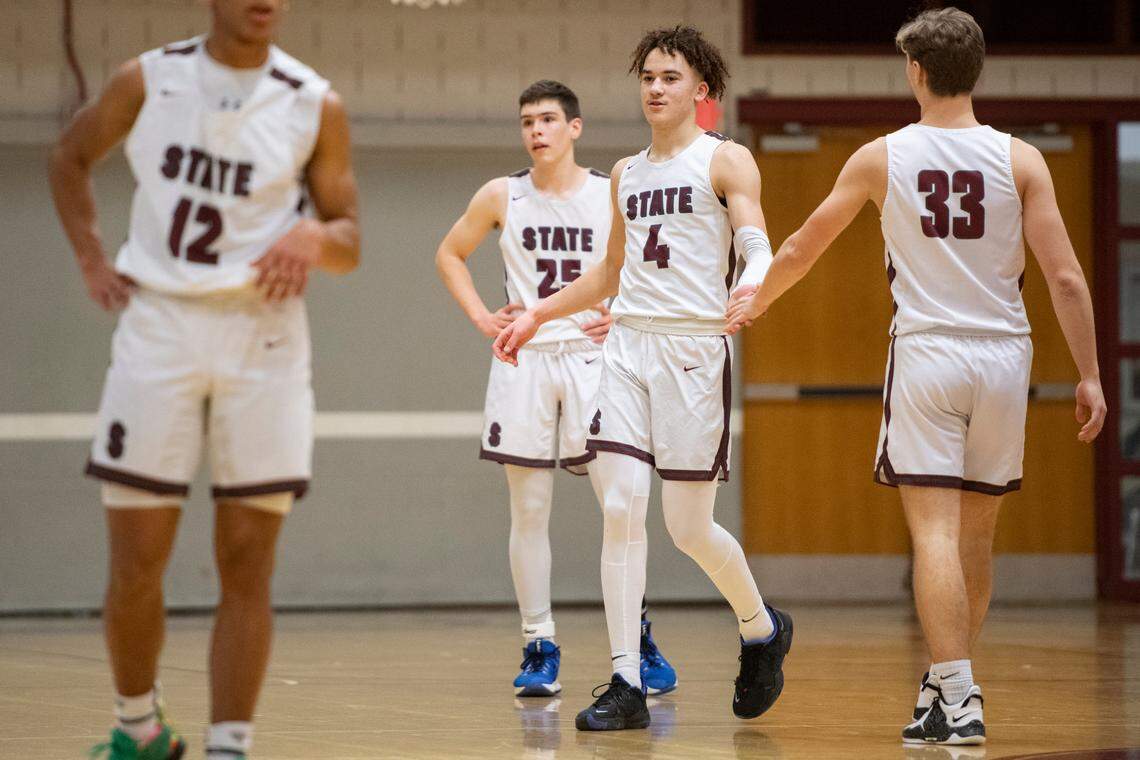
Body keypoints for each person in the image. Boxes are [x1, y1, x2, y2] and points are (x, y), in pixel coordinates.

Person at [724, 6, 1106, 746]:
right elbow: (1065, 277)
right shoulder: (1022, 159)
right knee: (977, 536)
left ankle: (960, 695)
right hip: (1005, 356)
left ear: (916, 71)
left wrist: (754, 301)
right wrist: (1089, 374)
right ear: (978, 70)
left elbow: (802, 246)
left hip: (929, 352)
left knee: (932, 533)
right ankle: (944, 684)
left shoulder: (882, 156)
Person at [48, 1, 359, 757]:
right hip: (160, 328)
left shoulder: (313, 100)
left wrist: (318, 234)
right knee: (135, 559)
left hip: (265, 336)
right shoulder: (147, 79)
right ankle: (138, 729)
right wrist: (93, 257)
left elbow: (350, 239)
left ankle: (229, 746)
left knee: (249, 558)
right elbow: (68, 157)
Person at [495, 27, 792, 731]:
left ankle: (761, 628)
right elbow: (607, 272)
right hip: (626, 348)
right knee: (622, 507)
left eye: (670, 76)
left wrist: (752, 282)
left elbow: (753, 237)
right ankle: (625, 679)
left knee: (688, 527)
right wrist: (539, 312)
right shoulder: (626, 173)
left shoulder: (725, 160)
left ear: (701, 90)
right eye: (648, 76)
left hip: (693, 353)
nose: (656, 87)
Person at [436, 80, 677, 698]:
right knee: (530, 509)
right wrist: (482, 317)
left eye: (547, 119)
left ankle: (637, 637)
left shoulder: (611, 190)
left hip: (596, 357)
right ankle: (539, 644)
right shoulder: (501, 194)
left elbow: (646, 264)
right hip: (528, 360)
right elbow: (449, 253)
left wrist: (620, 309)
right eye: (526, 122)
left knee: (621, 505)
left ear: (575, 127)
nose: (536, 130)